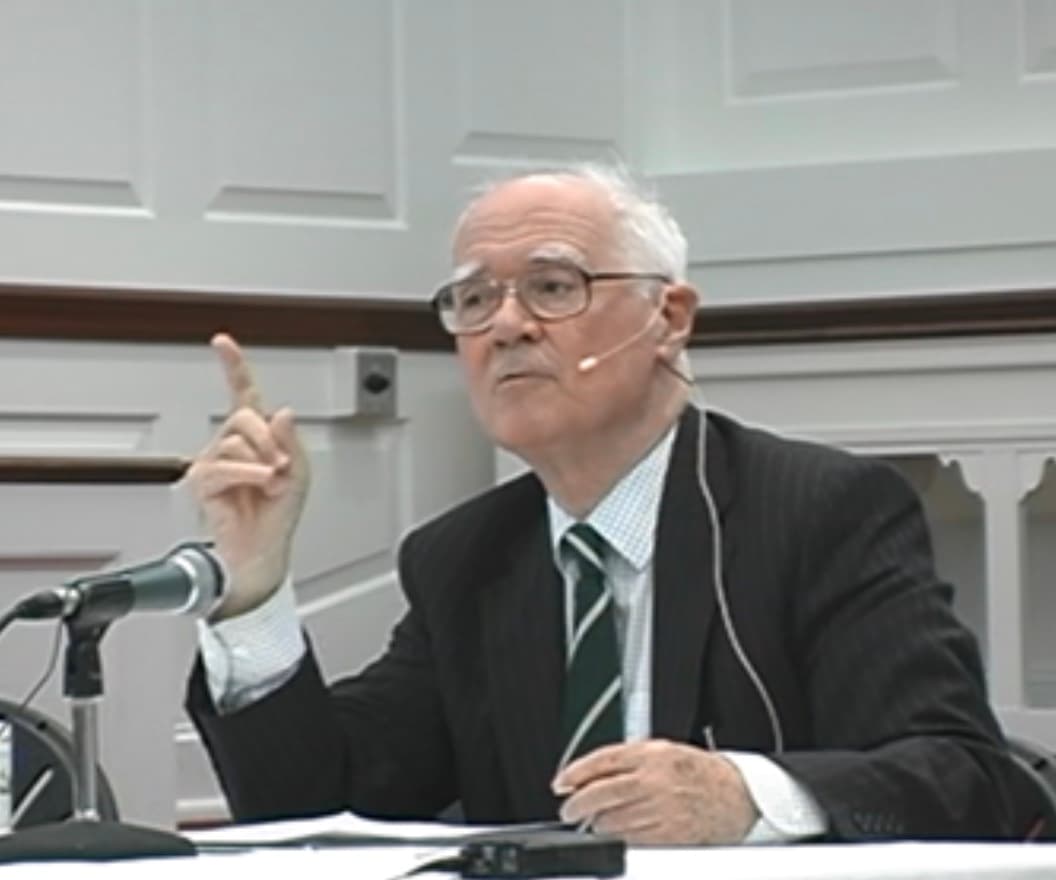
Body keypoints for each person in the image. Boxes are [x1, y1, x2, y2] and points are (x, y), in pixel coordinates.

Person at [185, 163, 1018, 844]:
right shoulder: (466, 557)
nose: (506, 326)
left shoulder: (819, 511)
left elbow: (967, 779)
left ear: (669, 318)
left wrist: (747, 796)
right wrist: (254, 589)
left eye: (552, 287)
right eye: (473, 300)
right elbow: (320, 804)